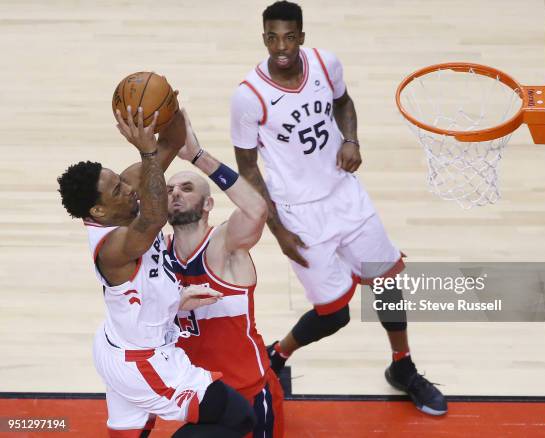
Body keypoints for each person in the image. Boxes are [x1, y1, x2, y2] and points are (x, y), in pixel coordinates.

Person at [230, 0, 447, 416]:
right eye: (273, 37)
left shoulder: (325, 64)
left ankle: (402, 366)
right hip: (299, 214)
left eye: (290, 36)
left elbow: (343, 104)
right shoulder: (248, 97)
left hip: (345, 194)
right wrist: (277, 230)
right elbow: (247, 170)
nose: (281, 46)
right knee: (334, 316)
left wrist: (352, 140)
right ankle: (278, 355)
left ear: (301, 37)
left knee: (386, 282)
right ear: (264, 39)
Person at [57, 106, 256, 437]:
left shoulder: (118, 203)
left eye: (122, 180)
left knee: (128, 433)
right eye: (118, 189)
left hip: (118, 341)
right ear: (98, 210)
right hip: (143, 360)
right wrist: (147, 150)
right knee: (239, 418)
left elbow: (172, 141)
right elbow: (153, 216)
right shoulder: (112, 247)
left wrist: (165, 107)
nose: (128, 187)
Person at [166, 111, 284, 437]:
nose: (175, 192)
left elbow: (257, 209)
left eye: (186, 188)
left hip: (248, 393)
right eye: (169, 189)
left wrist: (197, 157)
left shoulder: (225, 245)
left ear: (207, 205)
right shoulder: (157, 253)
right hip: (201, 395)